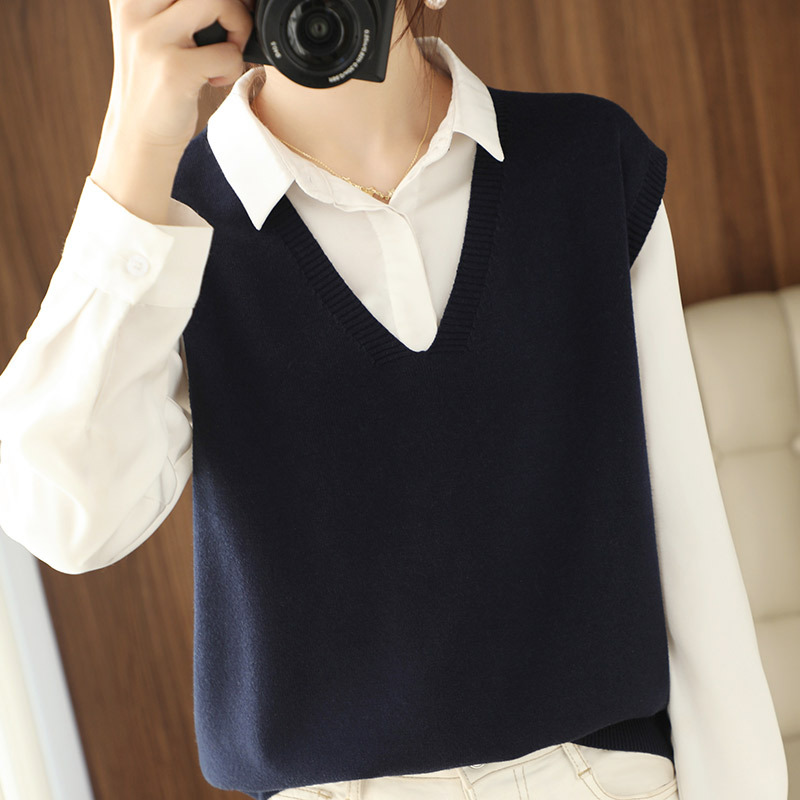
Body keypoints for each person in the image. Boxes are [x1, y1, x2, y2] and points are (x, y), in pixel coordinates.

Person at [0, 1, 788, 799]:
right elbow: (65, 516)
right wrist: (135, 146)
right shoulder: (168, 226)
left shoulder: (585, 161)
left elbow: (692, 550)